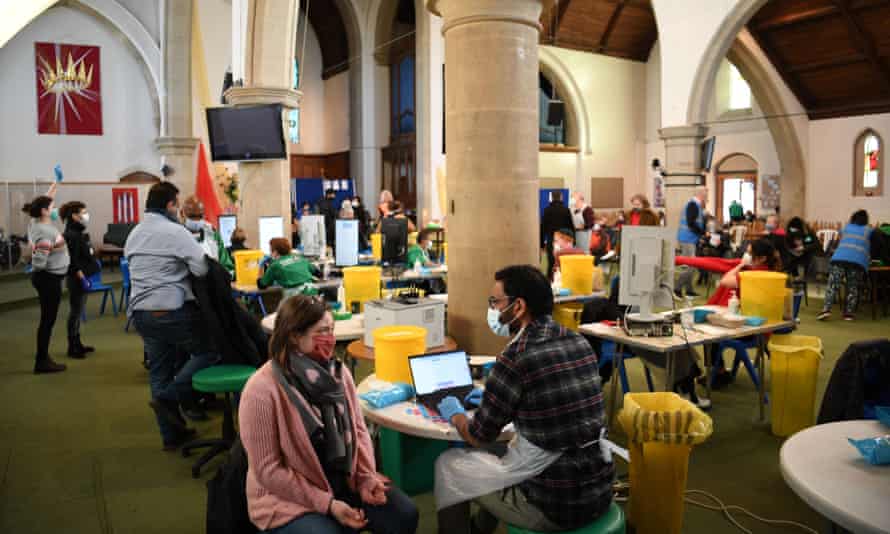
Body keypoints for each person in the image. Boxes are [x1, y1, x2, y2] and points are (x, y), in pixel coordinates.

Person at [435, 265, 613, 533]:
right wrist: (495, 396)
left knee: (450, 466)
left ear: (518, 307)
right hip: (599, 489)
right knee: (496, 457)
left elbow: (478, 435)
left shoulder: (515, 357)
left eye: (495, 302)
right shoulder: (579, 342)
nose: (493, 309)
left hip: (553, 506)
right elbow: (551, 400)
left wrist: (456, 414)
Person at [239, 295, 418, 534]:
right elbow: (269, 470)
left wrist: (365, 477)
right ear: (294, 335)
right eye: (322, 331)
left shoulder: (337, 374)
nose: (331, 339)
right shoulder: (262, 389)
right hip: (288, 497)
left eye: (332, 330)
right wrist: (328, 504)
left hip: (345, 481)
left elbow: (359, 429)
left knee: (404, 514)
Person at [125, 182, 219, 449]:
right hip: (170, 311)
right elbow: (201, 269)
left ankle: (171, 436)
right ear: (169, 205)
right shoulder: (175, 232)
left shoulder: (135, 233)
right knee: (209, 350)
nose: (179, 210)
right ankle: (169, 398)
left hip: (141, 315)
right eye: (176, 205)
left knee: (159, 372)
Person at [23, 184, 69, 374]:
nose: (54, 210)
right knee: (47, 321)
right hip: (47, 279)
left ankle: (43, 358)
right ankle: (42, 361)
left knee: (47, 320)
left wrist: (55, 185)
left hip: (47, 277)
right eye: (51, 208)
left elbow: (45, 199)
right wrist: (35, 265)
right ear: (43, 211)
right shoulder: (44, 231)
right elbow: (40, 260)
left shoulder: (35, 222)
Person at [818, 209, 873, 321]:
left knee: (833, 285)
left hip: (839, 259)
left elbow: (837, 242)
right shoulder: (869, 230)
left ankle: (826, 310)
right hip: (857, 262)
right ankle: (848, 314)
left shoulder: (846, 228)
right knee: (852, 287)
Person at [60, 201, 98, 359]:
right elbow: (72, 260)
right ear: (74, 216)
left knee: (78, 311)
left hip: (81, 276)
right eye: (83, 212)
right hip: (77, 278)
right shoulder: (72, 234)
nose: (85, 215)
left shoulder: (77, 232)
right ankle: (72, 346)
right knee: (75, 312)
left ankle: (78, 343)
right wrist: (82, 277)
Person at [182, 196, 234, 272]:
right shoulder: (177, 236)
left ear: (204, 215)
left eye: (200, 216)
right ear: (182, 213)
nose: (196, 220)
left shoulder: (213, 234)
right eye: (192, 216)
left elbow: (227, 266)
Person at [676, 186, 708, 297]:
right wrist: (702, 233)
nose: (707, 193)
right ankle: (677, 288)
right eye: (705, 191)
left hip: (690, 238)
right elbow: (691, 223)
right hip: (687, 238)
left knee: (690, 264)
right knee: (691, 265)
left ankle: (689, 290)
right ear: (700, 193)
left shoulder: (696, 205)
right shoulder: (693, 204)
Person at [540, 191, 574, 280]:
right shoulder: (566, 210)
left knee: (551, 263)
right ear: (561, 197)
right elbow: (571, 227)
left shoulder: (547, 210)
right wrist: (573, 241)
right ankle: (565, 280)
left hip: (551, 239)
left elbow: (543, 227)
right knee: (563, 263)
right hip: (564, 240)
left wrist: (541, 244)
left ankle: (550, 282)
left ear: (552, 198)